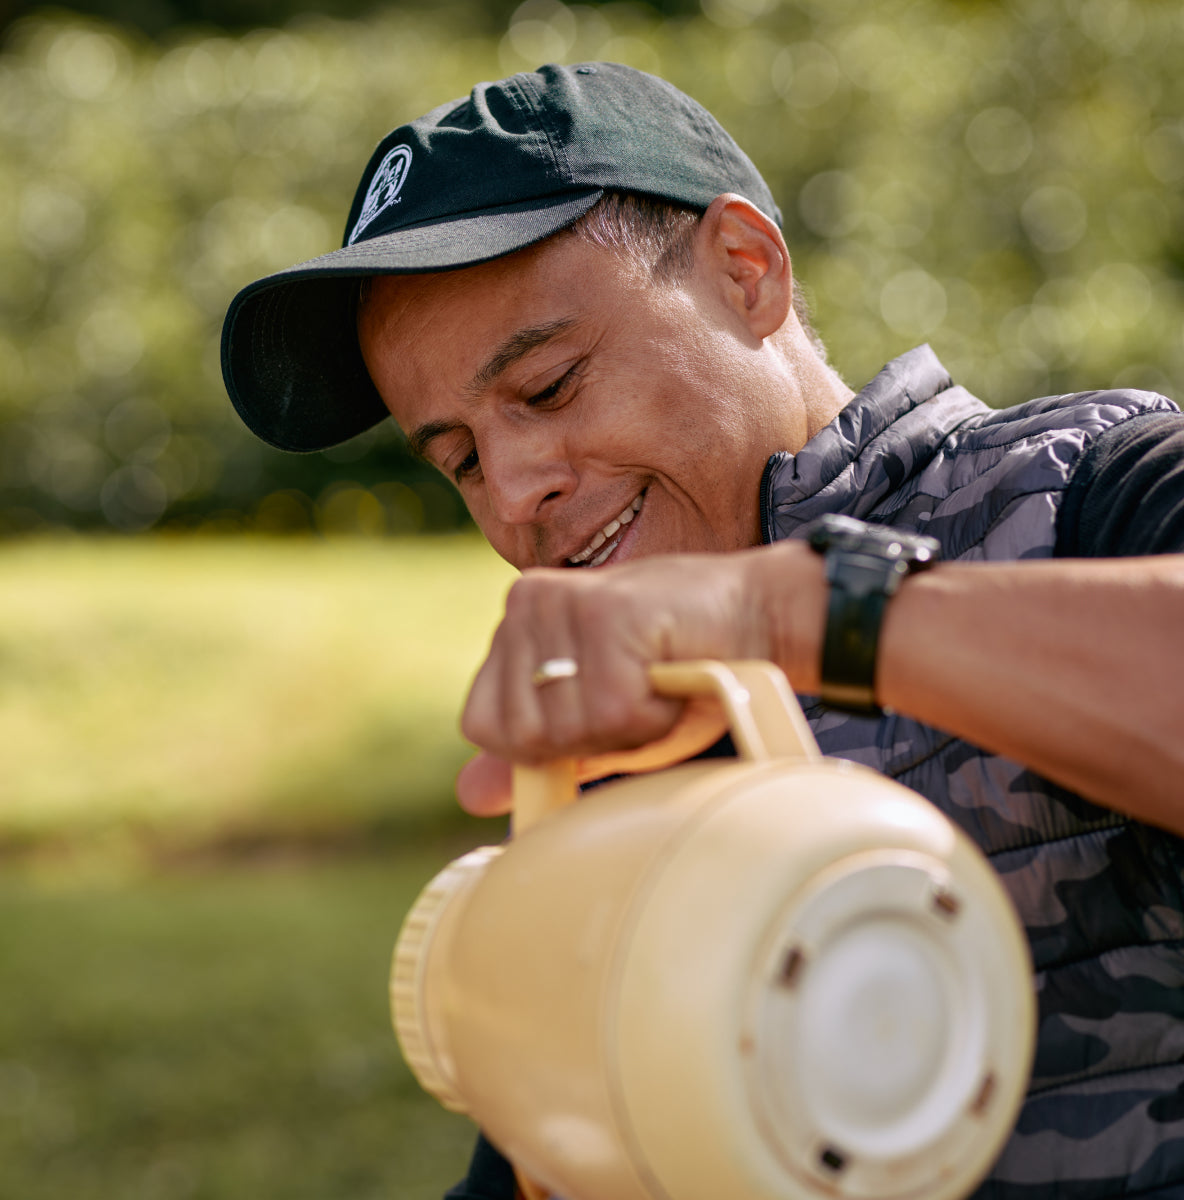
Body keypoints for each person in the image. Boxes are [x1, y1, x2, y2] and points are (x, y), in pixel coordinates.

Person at [221, 62, 1184, 1200]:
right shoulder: (623, 748)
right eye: (461, 458)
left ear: (746, 272)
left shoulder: (1095, 486)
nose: (515, 490)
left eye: (550, 386)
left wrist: (787, 608)